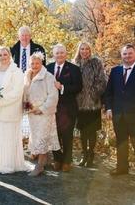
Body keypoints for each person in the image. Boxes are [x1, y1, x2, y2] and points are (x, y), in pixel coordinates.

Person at [104, 44, 135, 184]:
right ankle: (122, 168)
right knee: (121, 143)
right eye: (125, 54)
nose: (127, 56)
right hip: (118, 115)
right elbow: (109, 93)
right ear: (122, 55)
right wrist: (108, 108)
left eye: (130, 53)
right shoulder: (115, 71)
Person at [0, 47, 27, 174]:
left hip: (10, 109)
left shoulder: (16, 71)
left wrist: (1, 101)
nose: (3, 57)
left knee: (9, 138)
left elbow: (17, 91)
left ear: (10, 56)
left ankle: (9, 165)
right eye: (0, 55)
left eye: (5, 54)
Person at [47, 44, 82, 172]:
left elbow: (78, 87)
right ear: (54, 55)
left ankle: (67, 161)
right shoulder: (48, 68)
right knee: (54, 134)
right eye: (57, 53)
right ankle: (57, 159)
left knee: (67, 135)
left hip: (68, 108)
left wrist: (62, 87)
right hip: (52, 108)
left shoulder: (74, 69)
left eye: (62, 52)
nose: (60, 55)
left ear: (66, 54)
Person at [24, 52, 60, 176]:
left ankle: (40, 166)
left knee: (42, 137)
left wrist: (43, 109)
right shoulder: (27, 75)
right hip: (32, 113)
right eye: (32, 63)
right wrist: (27, 105)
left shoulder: (48, 76)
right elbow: (25, 94)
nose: (34, 65)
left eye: (37, 63)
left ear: (42, 63)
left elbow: (53, 96)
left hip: (44, 113)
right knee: (36, 137)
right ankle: (41, 162)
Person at [73, 42, 107, 168]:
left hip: (93, 103)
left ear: (90, 50)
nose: (84, 51)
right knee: (82, 131)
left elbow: (102, 81)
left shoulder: (96, 62)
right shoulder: (75, 63)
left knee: (92, 131)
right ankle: (84, 155)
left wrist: (92, 94)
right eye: (82, 49)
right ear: (79, 50)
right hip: (80, 104)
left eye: (87, 49)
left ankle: (91, 156)